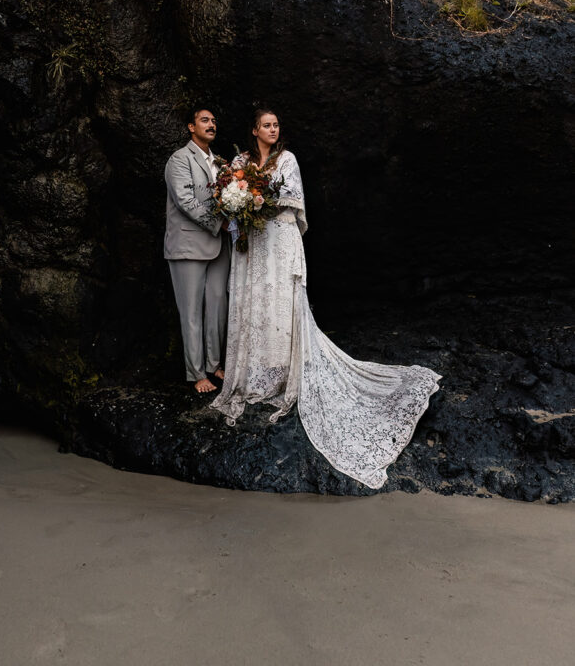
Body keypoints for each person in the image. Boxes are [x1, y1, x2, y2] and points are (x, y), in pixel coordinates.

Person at [211, 108, 441, 489]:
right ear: (253, 130)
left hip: (280, 238)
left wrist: (259, 198)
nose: (273, 129)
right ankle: (256, 371)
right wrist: (238, 202)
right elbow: (226, 198)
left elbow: (295, 197)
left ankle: (284, 370)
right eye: (266, 125)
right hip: (253, 242)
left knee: (281, 304)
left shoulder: (287, 159)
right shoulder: (239, 162)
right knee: (256, 305)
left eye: (276, 125)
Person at [164, 106, 230, 393]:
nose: (211, 124)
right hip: (189, 245)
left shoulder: (222, 162)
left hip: (218, 245)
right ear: (191, 127)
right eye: (205, 120)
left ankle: (214, 364)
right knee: (191, 311)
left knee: (217, 304)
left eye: (214, 120)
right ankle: (196, 373)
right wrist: (221, 223)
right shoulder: (179, 159)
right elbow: (185, 201)